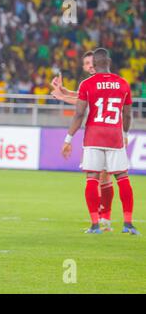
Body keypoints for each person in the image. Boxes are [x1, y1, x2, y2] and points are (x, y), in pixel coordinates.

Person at [62, 48, 138, 235]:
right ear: (109, 62)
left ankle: (95, 224)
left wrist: (68, 138)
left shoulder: (87, 84)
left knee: (92, 179)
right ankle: (128, 224)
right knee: (122, 178)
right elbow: (127, 114)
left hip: (94, 136)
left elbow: (79, 114)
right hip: (114, 136)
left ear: (94, 65)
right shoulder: (123, 84)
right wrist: (125, 133)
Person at [51, 51, 115, 231]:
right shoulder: (94, 83)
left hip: (103, 133)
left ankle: (103, 220)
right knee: (103, 176)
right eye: (86, 64)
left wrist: (62, 96)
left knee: (101, 176)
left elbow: (84, 103)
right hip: (101, 133)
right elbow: (82, 96)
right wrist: (64, 91)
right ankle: (103, 219)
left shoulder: (101, 82)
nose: (89, 66)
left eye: (91, 62)